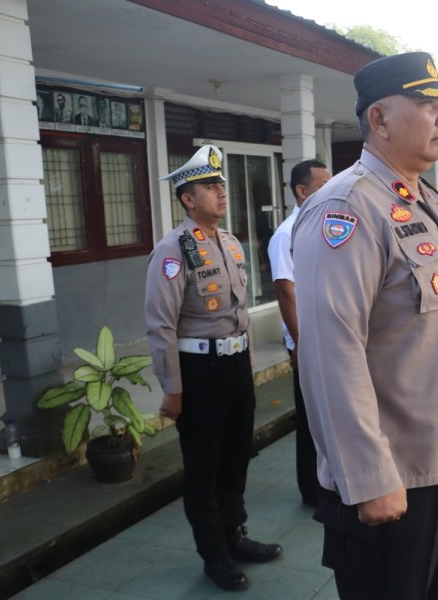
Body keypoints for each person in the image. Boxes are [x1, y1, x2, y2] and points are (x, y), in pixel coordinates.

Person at [292, 52, 438, 600]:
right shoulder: (346, 207)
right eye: (428, 105)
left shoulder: (422, 199)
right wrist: (368, 473)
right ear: (379, 119)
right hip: (393, 472)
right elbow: (331, 351)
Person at [145, 145, 281, 592]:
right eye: (210, 186)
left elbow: (239, 314)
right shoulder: (172, 250)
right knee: (203, 466)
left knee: (236, 457)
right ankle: (215, 555)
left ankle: (234, 535)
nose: (221, 192)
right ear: (188, 199)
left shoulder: (230, 242)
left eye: (221, 184)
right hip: (198, 371)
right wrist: (172, 388)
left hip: (235, 368)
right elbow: (161, 324)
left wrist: (248, 366)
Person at [266, 159, 331, 508]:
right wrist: (300, 343)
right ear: (301, 191)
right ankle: (311, 489)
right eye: (322, 185)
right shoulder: (286, 234)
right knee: (309, 419)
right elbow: (284, 289)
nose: (330, 190)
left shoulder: (325, 224)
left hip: (328, 338)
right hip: (306, 342)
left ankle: (328, 479)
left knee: (327, 415)